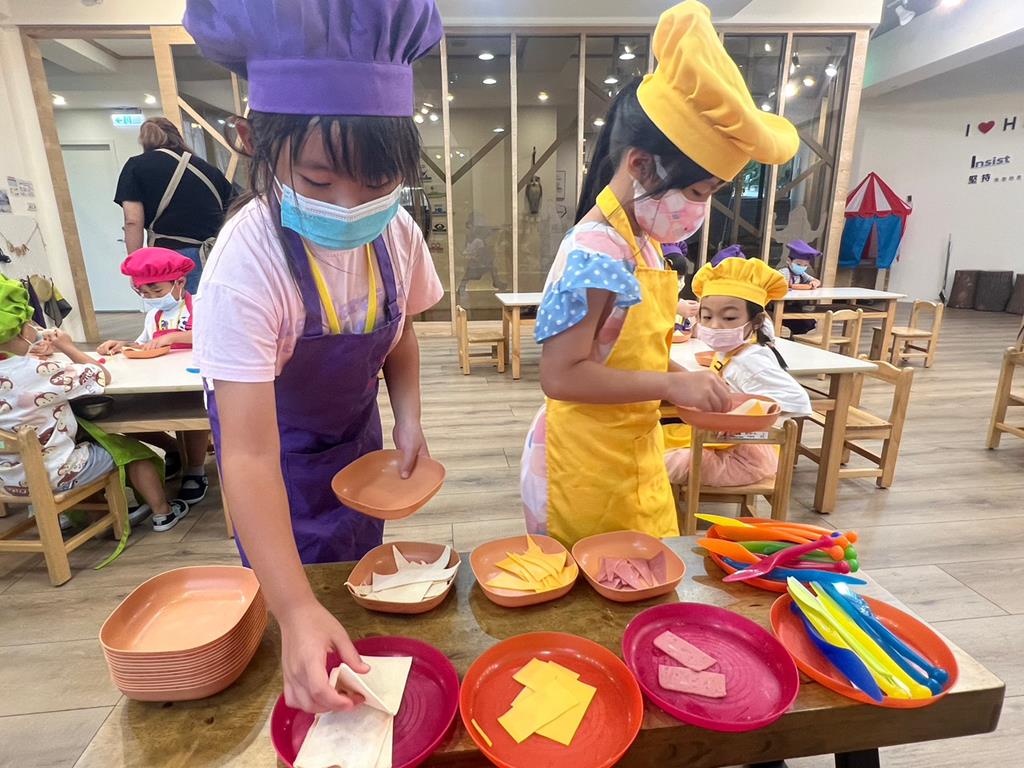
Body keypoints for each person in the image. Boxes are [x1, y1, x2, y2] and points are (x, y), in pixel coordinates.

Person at [184, 0, 444, 714]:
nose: (352, 206)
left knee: (356, 589)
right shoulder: (246, 265)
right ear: (254, 143)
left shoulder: (396, 234)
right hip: (276, 472)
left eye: (379, 182)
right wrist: (295, 609)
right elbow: (247, 457)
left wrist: (408, 417)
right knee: (300, 618)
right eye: (320, 182)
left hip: (357, 450)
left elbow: (399, 333)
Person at [519, 0, 799, 546]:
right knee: (599, 579)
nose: (700, 209)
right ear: (641, 165)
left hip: (628, 442)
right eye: (696, 191)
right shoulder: (596, 251)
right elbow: (562, 375)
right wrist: (672, 383)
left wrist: (686, 381)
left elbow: (618, 353)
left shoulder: (641, 242)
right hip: (583, 461)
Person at [0, 276, 187, 530]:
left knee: (82, 443)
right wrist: (67, 347)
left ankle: (85, 516)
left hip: (6, 479)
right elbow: (101, 375)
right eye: (31, 323)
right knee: (134, 453)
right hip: (54, 473)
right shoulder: (41, 371)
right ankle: (163, 512)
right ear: (23, 331)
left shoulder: (29, 367)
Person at [663, 257, 811, 486]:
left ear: (756, 322)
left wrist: (738, 420)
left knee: (658, 462)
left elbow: (798, 399)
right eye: (707, 316)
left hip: (745, 458)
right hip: (724, 445)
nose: (715, 325)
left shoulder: (750, 360)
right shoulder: (730, 352)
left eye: (729, 318)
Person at [97, 248, 212, 507]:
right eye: (144, 294)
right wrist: (122, 344)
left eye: (157, 291)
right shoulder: (154, 316)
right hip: (161, 378)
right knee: (131, 413)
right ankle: (174, 449)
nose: (151, 298)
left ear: (179, 282)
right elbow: (144, 343)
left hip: (192, 381)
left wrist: (174, 336)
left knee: (192, 413)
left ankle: (195, 470)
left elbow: (212, 334)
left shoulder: (201, 305)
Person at [114, 117, 234, 293]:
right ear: (177, 136)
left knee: (175, 310)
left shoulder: (136, 167)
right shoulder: (208, 169)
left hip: (168, 260)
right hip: (214, 256)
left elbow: (132, 220)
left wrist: (136, 266)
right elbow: (233, 212)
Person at [777, 239, 822, 335]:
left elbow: (816, 281)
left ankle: (795, 337)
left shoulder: (801, 274)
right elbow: (789, 285)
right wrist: (808, 286)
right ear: (789, 261)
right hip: (782, 305)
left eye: (805, 265)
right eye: (798, 264)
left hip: (796, 305)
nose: (802, 267)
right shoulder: (784, 272)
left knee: (809, 319)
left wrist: (814, 283)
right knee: (802, 321)